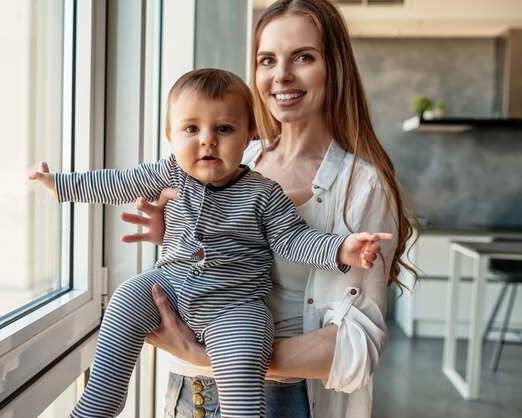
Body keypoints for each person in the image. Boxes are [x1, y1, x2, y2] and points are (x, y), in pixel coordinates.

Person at [30, 68, 392, 418]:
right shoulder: (169, 171)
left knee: (243, 359)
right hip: (170, 285)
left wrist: (340, 249)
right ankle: (98, 405)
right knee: (126, 298)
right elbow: (117, 182)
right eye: (192, 128)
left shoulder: (263, 192)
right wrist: (59, 184)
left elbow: (292, 239)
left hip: (236, 305)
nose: (207, 139)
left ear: (249, 135)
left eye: (224, 128)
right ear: (170, 135)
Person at [119, 1, 419, 417]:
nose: (282, 75)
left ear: (334, 68)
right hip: (188, 395)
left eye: (303, 57)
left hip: (282, 402)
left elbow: (359, 347)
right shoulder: (233, 154)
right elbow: (211, 278)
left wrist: (214, 356)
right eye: (267, 60)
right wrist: (173, 235)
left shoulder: (362, 185)